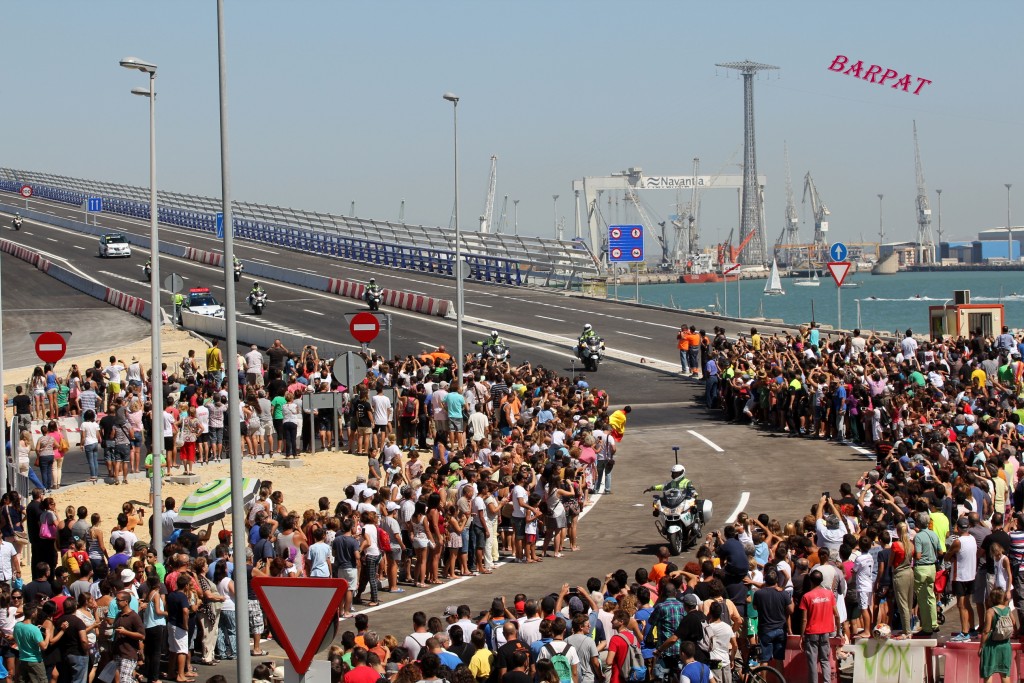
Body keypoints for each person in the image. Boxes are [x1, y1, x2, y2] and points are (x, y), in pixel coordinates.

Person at [798, 569, 840, 683]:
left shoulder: (807, 596)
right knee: (824, 660)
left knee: (812, 662)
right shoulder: (829, 594)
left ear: (811, 581)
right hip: (826, 632)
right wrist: (839, 632)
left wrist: (802, 636)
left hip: (811, 633)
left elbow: (804, 619)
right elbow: (837, 615)